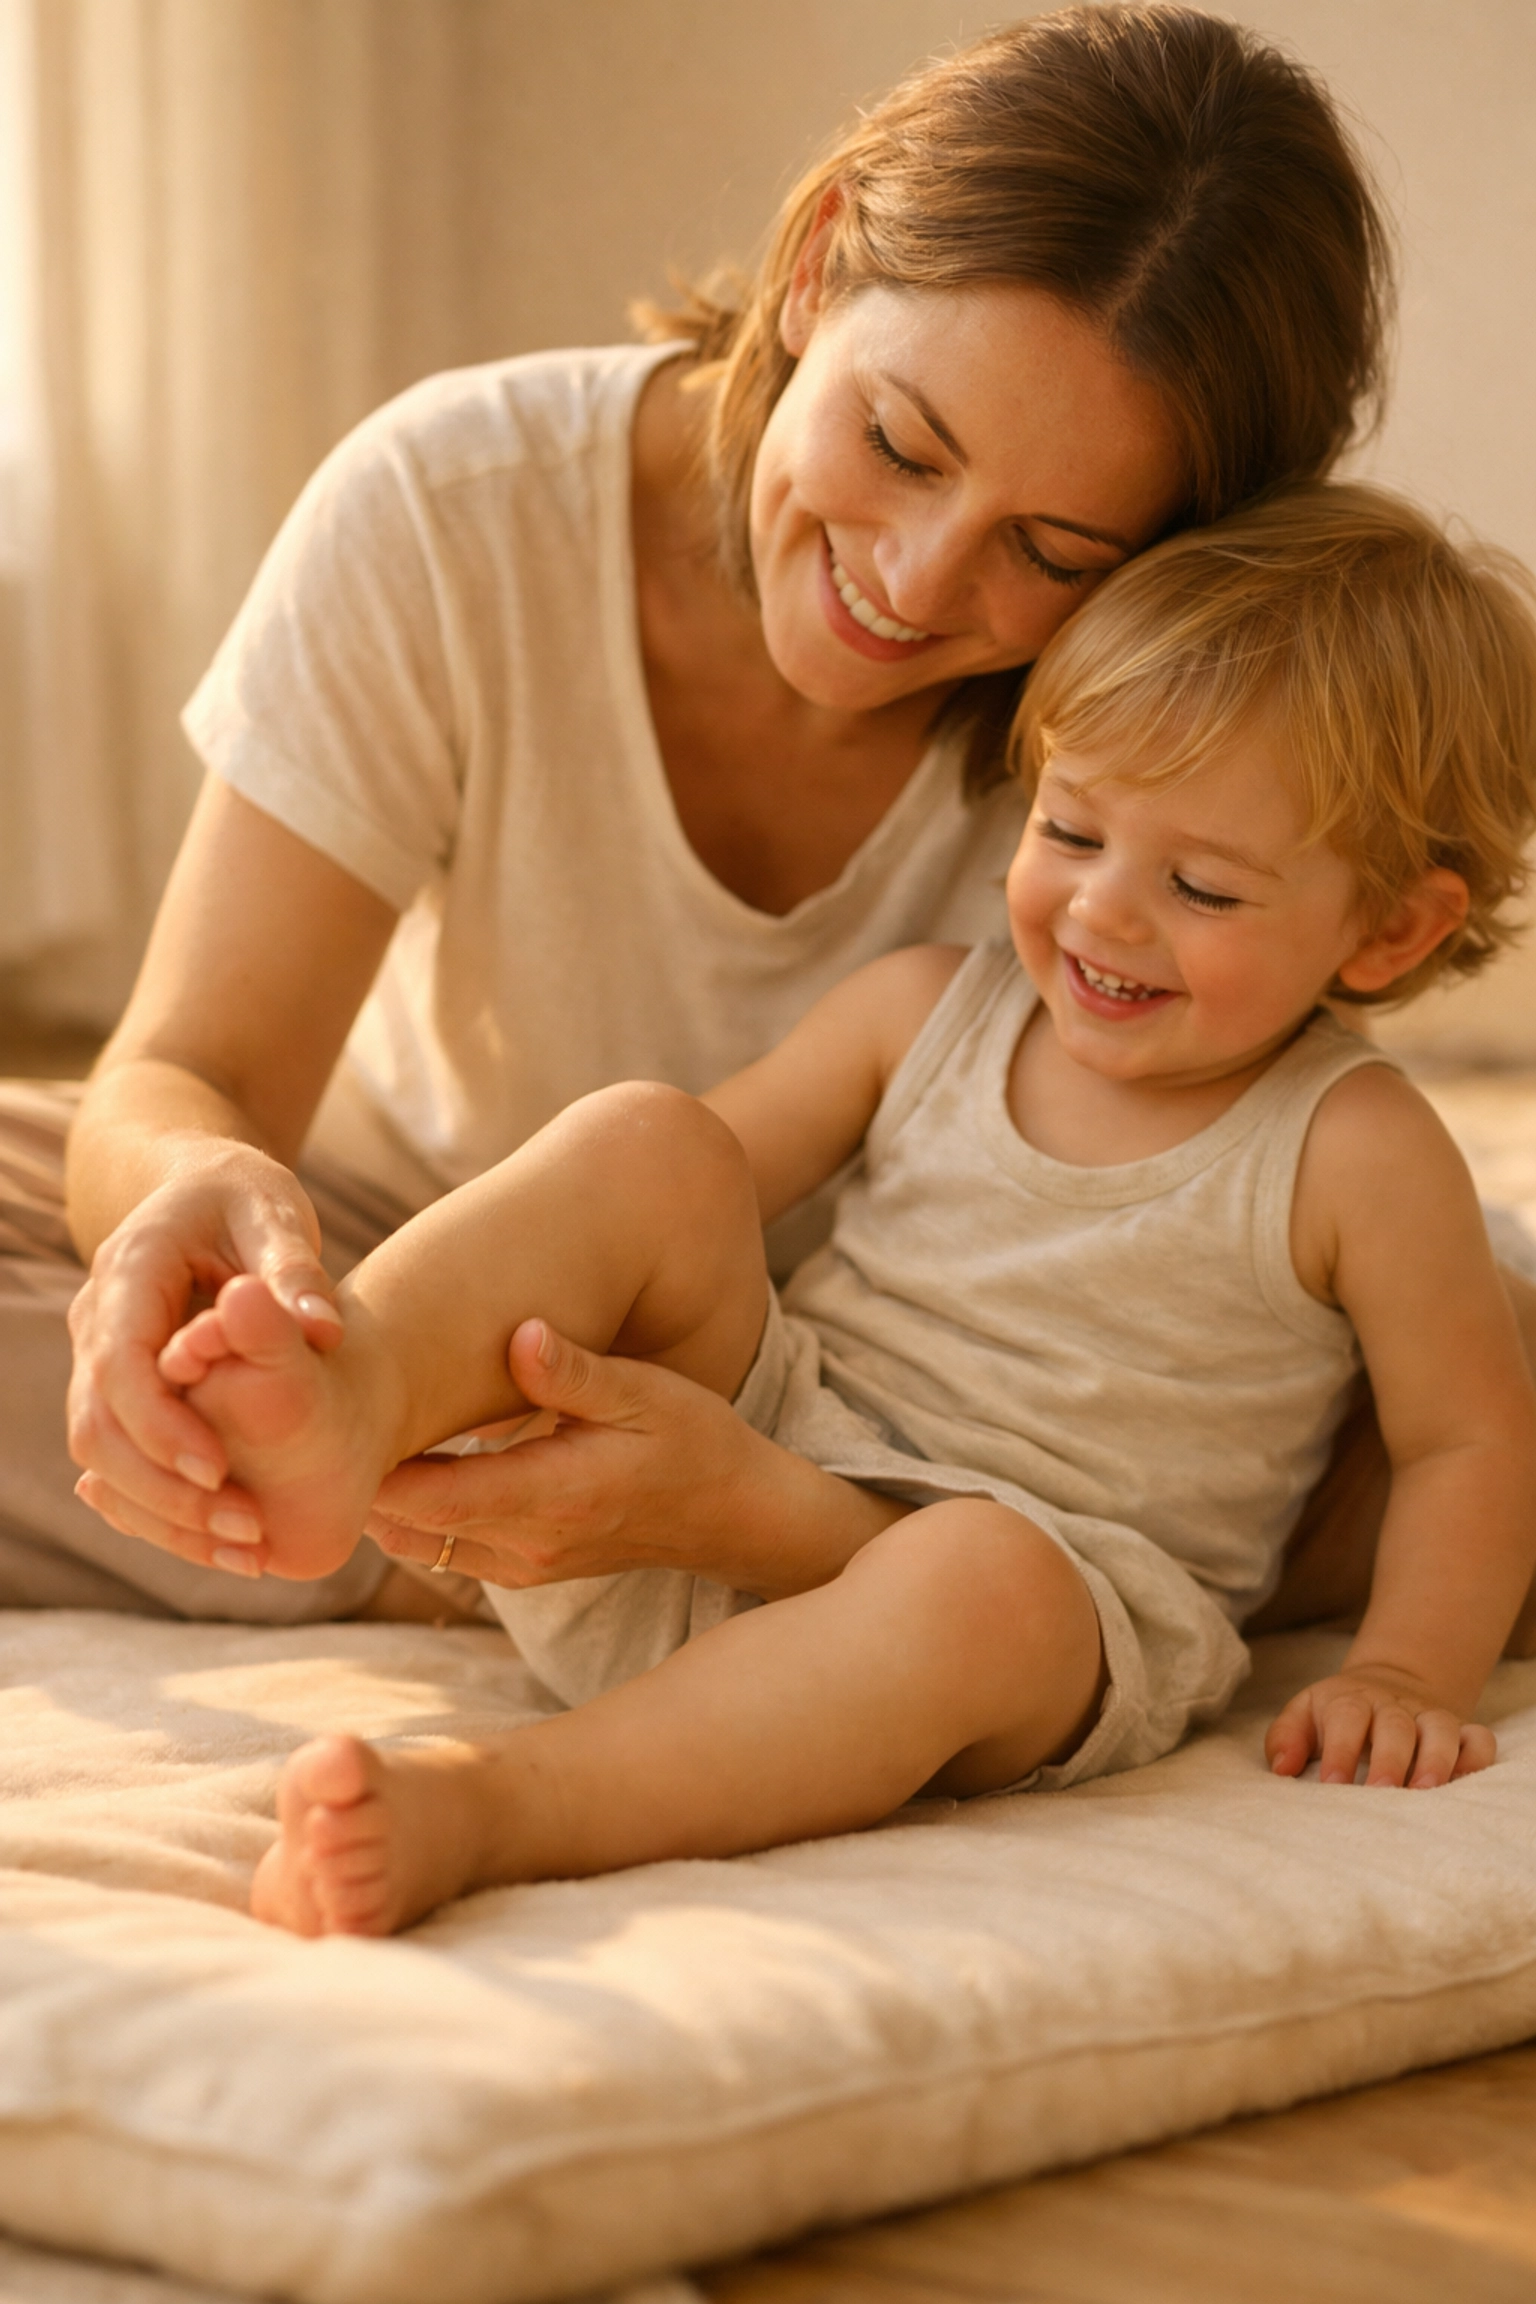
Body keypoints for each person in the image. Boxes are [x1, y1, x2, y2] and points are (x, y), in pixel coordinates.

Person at [9, 6, 1527, 1641]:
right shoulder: (455, 509)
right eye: (898, 442)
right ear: (814, 269)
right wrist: (209, 1201)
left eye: (1057, 549)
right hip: (406, 1252)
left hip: (915, 1399)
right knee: (126, 1203)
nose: (921, 580)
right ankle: (460, 1495)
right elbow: (193, 1070)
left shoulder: (1153, 730)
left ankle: (574, 1527)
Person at [139, 482, 1536, 1937]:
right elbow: (656, 1216)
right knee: (650, 1137)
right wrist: (518, 1328)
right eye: (1069, 830)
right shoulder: (926, 1011)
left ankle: (497, 1805)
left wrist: (1410, 1673)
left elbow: (1467, 1436)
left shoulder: (1354, 1147)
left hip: (1025, 1607)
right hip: (694, 1498)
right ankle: (349, 1400)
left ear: (1388, 929)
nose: (1105, 915)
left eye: (1200, 885)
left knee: (981, 1576)